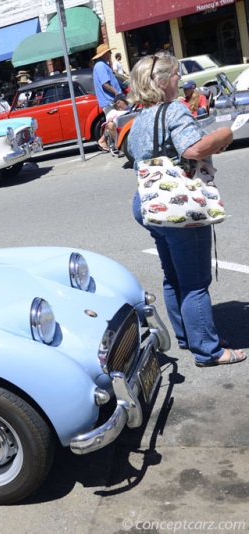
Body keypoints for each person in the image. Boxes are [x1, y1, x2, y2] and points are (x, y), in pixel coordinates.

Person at [127, 53, 243, 368]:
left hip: (149, 203)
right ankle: (209, 351)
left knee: (173, 275)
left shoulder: (139, 118)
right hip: (179, 204)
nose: (182, 80)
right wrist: (225, 134)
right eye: (177, 75)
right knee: (194, 281)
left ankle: (186, 336)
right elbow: (192, 150)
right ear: (162, 82)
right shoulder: (175, 108)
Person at [92, 44, 123, 115]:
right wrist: (116, 93)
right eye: (109, 52)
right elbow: (105, 84)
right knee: (116, 123)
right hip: (110, 102)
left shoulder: (103, 65)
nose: (111, 53)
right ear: (105, 54)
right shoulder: (101, 65)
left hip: (111, 102)